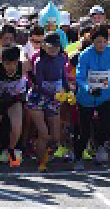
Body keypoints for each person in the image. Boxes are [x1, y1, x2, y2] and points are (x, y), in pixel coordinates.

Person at [74, 24, 110, 169]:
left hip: (106, 95)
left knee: (108, 123)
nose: (101, 45)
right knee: (84, 129)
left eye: (104, 41)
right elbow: (80, 77)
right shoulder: (85, 55)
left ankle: (101, 147)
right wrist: (88, 88)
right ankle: (78, 157)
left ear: (108, 41)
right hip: (87, 96)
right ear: (92, 41)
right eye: (98, 41)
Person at [27, 33, 68, 171]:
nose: (54, 49)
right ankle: (41, 162)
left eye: (56, 46)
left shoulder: (62, 58)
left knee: (56, 136)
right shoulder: (39, 62)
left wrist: (68, 91)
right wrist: (54, 94)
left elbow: (63, 77)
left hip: (54, 97)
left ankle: (44, 152)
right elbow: (38, 84)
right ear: (44, 46)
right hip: (37, 98)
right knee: (44, 133)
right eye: (51, 47)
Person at [0, 45, 29, 170]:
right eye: (7, 64)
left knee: (17, 127)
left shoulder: (24, 65)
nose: (11, 67)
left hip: (14, 99)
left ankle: (10, 150)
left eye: (13, 63)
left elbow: (30, 81)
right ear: (1, 62)